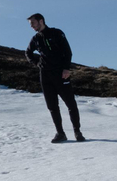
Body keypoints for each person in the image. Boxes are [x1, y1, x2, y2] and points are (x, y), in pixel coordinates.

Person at [25, 13, 85, 143]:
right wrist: (36, 63)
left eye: (33, 23)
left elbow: (67, 51)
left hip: (60, 73)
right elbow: (28, 52)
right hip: (45, 75)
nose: (32, 26)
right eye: (31, 25)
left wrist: (66, 68)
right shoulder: (35, 38)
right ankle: (60, 133)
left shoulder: (56, 33)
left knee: (71, 104)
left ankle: (77, 132)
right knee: (52, 106)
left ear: (41, 21)